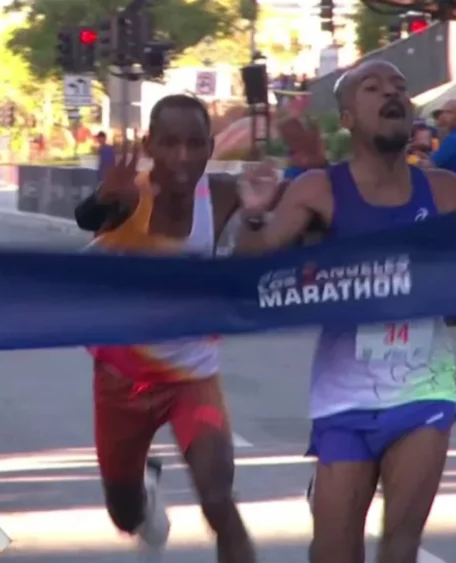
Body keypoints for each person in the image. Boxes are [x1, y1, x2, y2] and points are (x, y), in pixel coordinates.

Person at [233, 60, 456, 563]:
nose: (391, 94)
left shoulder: (445, 191)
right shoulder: (319, 190)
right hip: (343, 396)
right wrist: (254, 213)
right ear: (347, 117)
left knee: (399, 549)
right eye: (373, 88)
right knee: (333, 553)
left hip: (423, 388)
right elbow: (250, 268)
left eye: (399, 87)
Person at [71, 94, 256, 563]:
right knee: (124, 513)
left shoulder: (222, 195)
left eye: (195, 144)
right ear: (150, 145)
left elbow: (281, 233)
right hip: (122, 382)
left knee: (219, 501)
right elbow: (87, 218)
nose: (182, 157)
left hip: (192, 379)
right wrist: (103, 199)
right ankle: (145, 495)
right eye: (170, 143)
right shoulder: (131, 195)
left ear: (210, 147)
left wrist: (262, 210)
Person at [429, 99, 456, 181]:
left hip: (453, 185)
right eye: (443, 112)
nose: (444, 116)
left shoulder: (455, 140)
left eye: (449, 112)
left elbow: (432, 163)